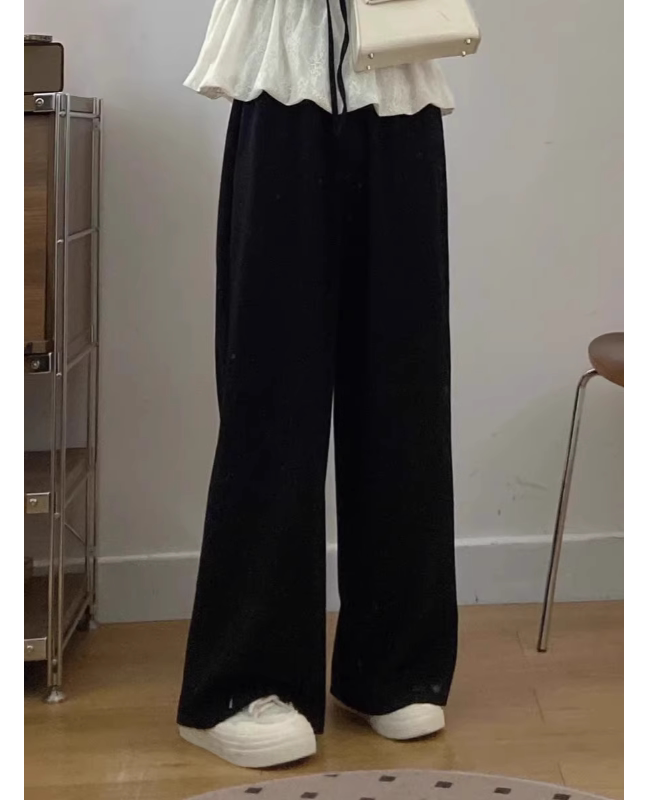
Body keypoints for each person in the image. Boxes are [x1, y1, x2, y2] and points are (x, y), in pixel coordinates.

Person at [177, 0, 459, 768]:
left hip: (398, 74)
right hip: (284, 70)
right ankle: (241, 680)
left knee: (404, 381)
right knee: (273, 387)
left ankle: (391, 663)